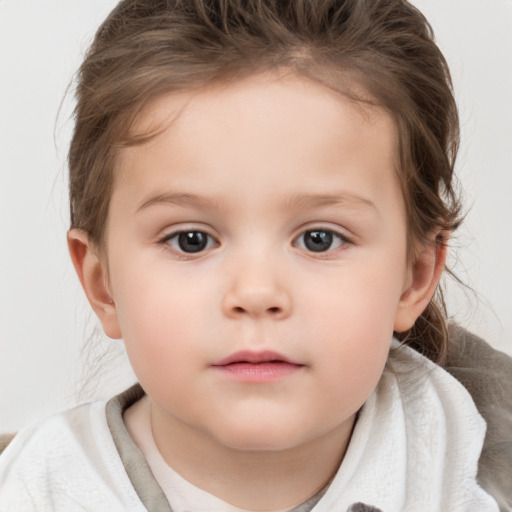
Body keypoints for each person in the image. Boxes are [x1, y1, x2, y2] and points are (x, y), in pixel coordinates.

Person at [0, 0, 511, 510]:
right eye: (191, 240)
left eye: (319, 238)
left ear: (415, 276)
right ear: (102, 283)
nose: (256, 293)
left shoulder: (470, 473)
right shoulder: (33, 490)